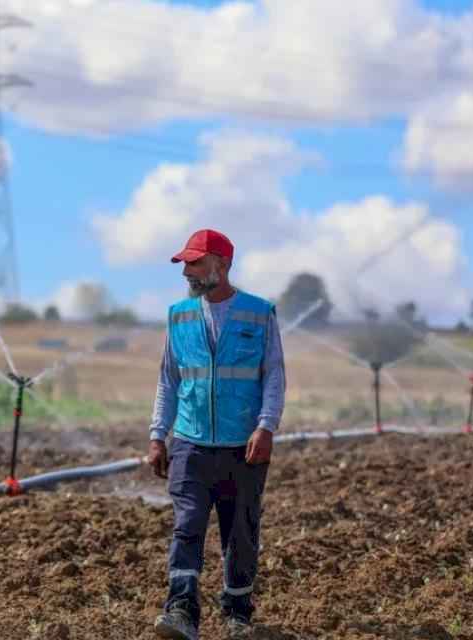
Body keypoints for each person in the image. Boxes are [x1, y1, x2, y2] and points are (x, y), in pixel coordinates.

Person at [146, 228, 286, 640]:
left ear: (221, 265)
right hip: (189, 443)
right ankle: (181, 611)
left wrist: (266, 426)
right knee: (187, 525)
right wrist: (157, 435)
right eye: (184, 263)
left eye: (194, 262)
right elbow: (168, 380)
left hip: (242, 446)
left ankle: (237, 615)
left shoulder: (259, 313)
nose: (186, 271)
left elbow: (274, 375)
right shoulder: (179, 315)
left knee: (240, 532)